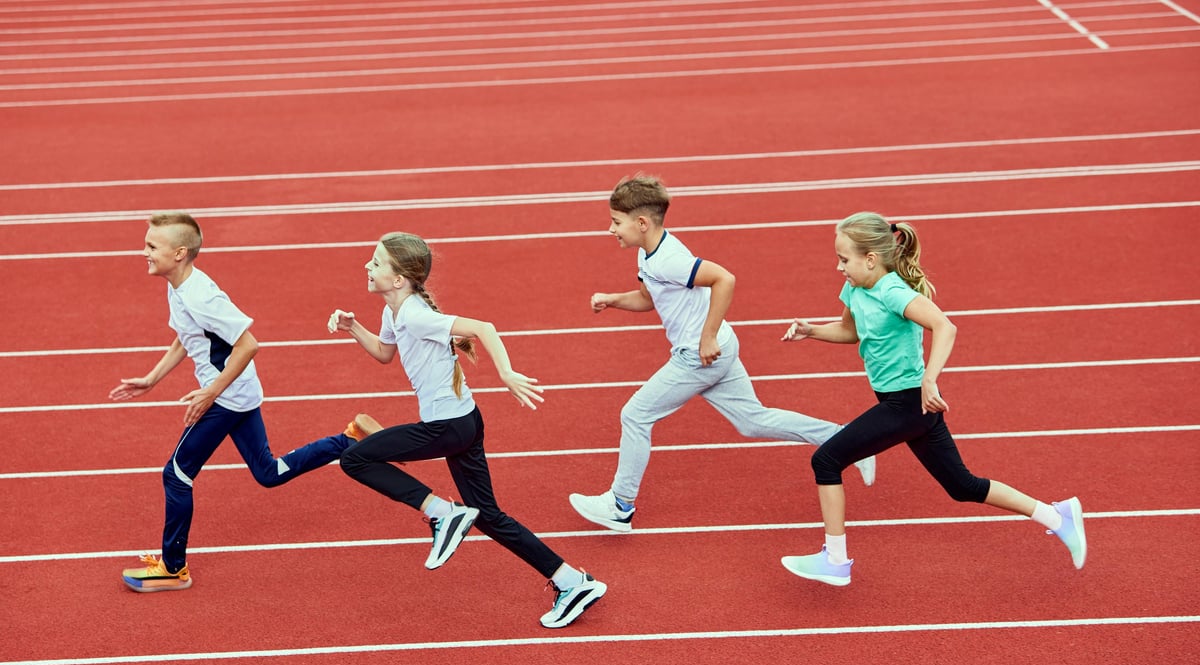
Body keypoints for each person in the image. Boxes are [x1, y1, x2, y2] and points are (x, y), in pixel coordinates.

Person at [778, 211, 1085, 586]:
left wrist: (930, 379)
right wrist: (811, 331)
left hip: (907, 403)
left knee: (826, 459)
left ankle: (836, 560)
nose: (838, 266)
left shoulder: (893, 292)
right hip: (908, 407)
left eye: (844, 259)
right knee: (962, 486)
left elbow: (945, 326)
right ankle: (1058, 517)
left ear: (870, 259)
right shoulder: (856, 290)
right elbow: (849, 331)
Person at [328, 232, 606, 628]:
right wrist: (353, 327)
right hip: (464, 422)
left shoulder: (413, 313)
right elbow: (386, 353)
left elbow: (484, 327)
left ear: (398, 279)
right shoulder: (395, 312)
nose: (367, 267)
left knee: (354, 457)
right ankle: (572, 581)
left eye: (376, 262)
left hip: (448, 426)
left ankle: (442, 513)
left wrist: (507, 374)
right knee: (490, 517)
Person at [568, 176, 876, 532]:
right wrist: (612, 300)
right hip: (720, 350)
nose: (611, 230)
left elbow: (724, 279)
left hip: (699, 356)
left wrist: (707, 337)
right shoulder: (647, 254)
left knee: (635, 415)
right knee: (752, 420)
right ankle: (850, 439)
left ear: (642, 223)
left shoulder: (669, 260)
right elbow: (648, 300)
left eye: (616, 222)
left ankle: (620, 505)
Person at [110, 212, 359, 593]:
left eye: (150, 247)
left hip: (226, 397)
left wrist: (211, 393)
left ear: (179, 253)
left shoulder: (202, 294)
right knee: (268, 473)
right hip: (237, 392)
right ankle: (349, 439)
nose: (143, 252)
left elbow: (249, 344)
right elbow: (186, 336)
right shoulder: (178, 287)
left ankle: (174, 569)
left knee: (176, 475)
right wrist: (151, 379)